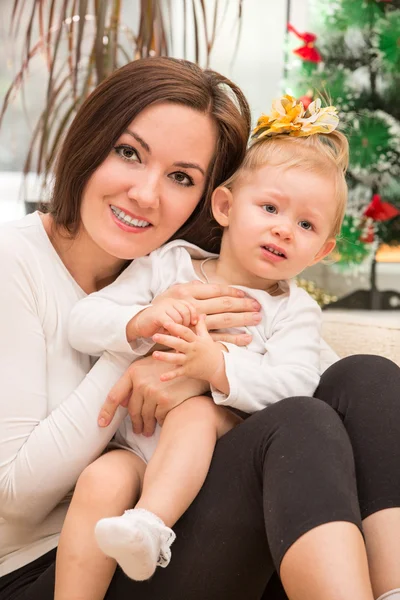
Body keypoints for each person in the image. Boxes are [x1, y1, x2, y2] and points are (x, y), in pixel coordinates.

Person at [0, 57, 399, 600]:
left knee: (366, 377)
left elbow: (307, 377)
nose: (146, 194)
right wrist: (150, 357)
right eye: (128, 152)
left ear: (207, 196)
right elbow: (15, 500)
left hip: (165, 532)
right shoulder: (21, 262)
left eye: (181, 176)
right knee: (299, 423)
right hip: (46, 563)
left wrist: (212, 379)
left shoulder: (174, 261)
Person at [56, 95, 343, 597]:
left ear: (321, 250)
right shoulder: (168, 266)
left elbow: (300, 388)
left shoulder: (292, 311)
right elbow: (83, 322)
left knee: (195, 415)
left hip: (218, 470)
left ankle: (152, 525)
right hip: (135, 447)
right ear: (226, 206)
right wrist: (143, 319)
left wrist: (218, 367)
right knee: (100, 480)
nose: (283, 228)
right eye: (271, 207)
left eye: (305, 225)